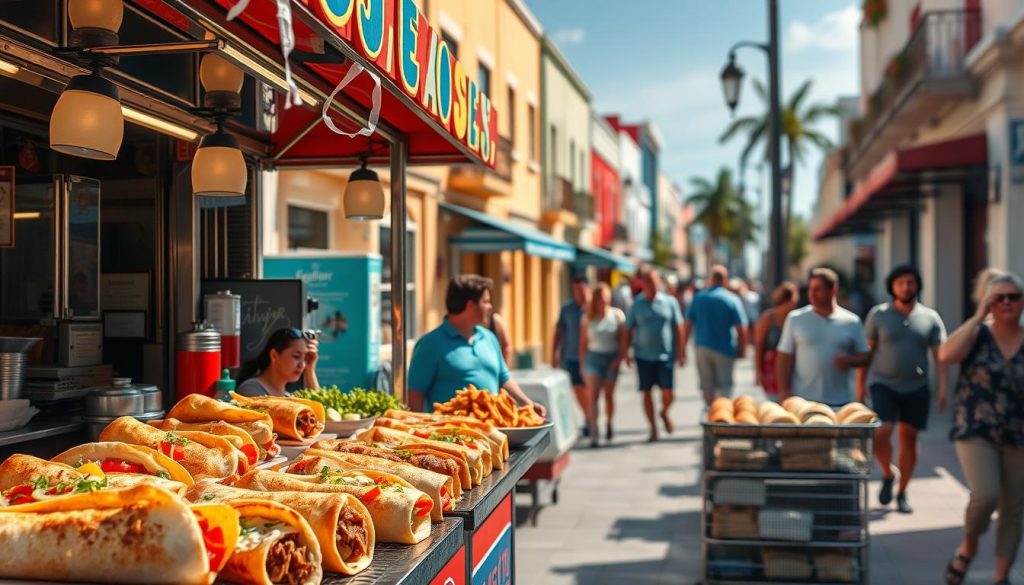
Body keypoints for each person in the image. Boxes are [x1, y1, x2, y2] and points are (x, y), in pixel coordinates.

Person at [939, 272, 1024, 585]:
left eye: (1013, 297)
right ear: (989, 302)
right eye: (998, 298)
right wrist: (977, 317)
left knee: (1013, 509)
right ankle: (968, 545)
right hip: (975, 428)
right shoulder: (978, 334)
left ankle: (1000, 577)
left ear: (1022, 301)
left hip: (1018, 433)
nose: (1006, 303)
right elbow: (946, 354)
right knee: (986, 495)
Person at [856, 265, 948, 515]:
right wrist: (859, 385)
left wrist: (942, 388)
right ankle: (888, 472)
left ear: (917, 285)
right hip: (883, 384)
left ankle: (903, 491)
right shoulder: (879, 315)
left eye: (910, 282)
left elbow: (941, 357)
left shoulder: (930, 318)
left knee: (909, 439)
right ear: (892, 287)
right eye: (900, 283)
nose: (906, 287)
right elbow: (868, 352)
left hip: (916, 387)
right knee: (881, 431)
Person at [407, 275, 545, 417]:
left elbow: (503, 378)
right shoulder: (430, 344)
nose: (490, 307)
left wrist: (527, 403)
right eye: (486, 301)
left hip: (495, 432)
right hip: (454, 436)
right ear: (470, 305)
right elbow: (415, 394)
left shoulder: (489, 337)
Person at [777, 267, 871, 407]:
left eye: (818, 289)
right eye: (810, 289)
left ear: (833, 290)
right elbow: (784, 357)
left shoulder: (852, 321)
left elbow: (866, 356)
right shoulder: (795, 318)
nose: (812, 294)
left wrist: (848, 361)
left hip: (841, 402)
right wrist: (784, 392)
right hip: (804, 402)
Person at [619, 270, 685, 442]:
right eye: (650, 283)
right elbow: (627, 329)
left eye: (656, 283)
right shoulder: (636, 304)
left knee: (669, 394)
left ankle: (664, 412)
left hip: (666, 356)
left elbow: (679, 326)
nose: (654, 287)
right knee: (647, 393)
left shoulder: (670, 302)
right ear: (644, 284)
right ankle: (653, 428)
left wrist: (681, 351)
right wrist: (625, 353)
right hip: (643, 356)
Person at [681, 266, 748, 404]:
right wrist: (742, 349)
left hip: (702, 348)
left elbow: (687, 325)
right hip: (725, 349)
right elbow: (742, 328)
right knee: (725, 387)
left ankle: (710, 416)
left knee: (707, 388)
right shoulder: (731, 299)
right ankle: (722, 418)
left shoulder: (699, 298)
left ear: (711, 279)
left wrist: (682, 349)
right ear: (725, 280)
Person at [579, 283, 627, 447]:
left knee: (608, 396)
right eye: (600, 297)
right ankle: (594, 432)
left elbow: (623, 341)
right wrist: (582, 364)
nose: (603, 300)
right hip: (593, 358)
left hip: (611, 358)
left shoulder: (617, 315)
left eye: (606, 296)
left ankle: (609, 422)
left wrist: (619, 359)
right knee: (593, 396)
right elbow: (583, 344)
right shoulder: (588, 317)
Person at [552, 276, 591, 431]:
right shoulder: (567, 309)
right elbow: (559, 332)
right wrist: (554, 355)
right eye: (575, 290)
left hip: (591, 357)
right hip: (571, 356)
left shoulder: (593, 307)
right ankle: (589, 417)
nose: (578, 293)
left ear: (588, 288)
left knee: (589, 390)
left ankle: (591, 418)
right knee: (578, 389)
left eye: (581, 289)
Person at [236, 328, 321, 397]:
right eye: (296, 356)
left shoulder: (288, 396)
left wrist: (310, 369)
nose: (302, 365)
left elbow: (320, 411)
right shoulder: (251, 389)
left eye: (306, 358)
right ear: (274, 355)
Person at [754, 282, 799, 397]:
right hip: (771, 367)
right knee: (774, 400)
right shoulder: (768, 318)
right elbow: (759, 345)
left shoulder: (795, 318)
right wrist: (758, 371)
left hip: (791, 366)